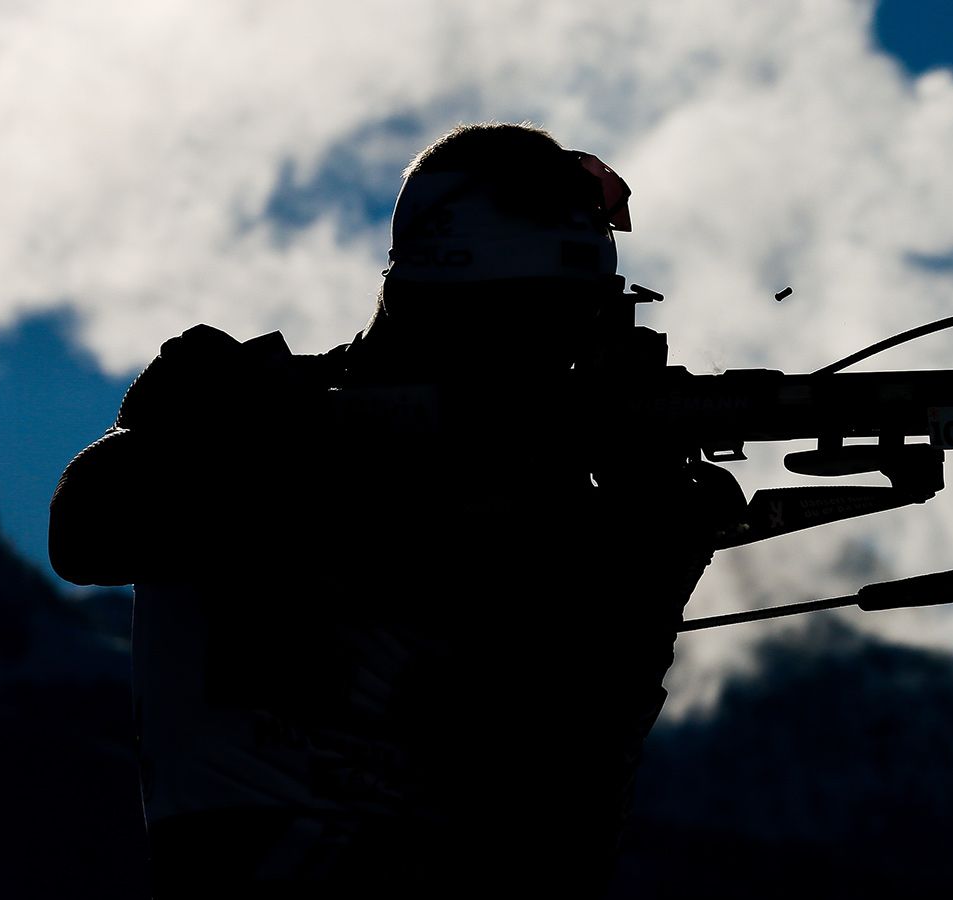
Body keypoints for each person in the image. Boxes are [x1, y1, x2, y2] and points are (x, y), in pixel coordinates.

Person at [50, 122, 727, 896]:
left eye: (578, 325)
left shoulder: (539, 497)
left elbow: (561, 823)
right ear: (438, 304)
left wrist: (640, 584)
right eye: (527, 324)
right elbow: (87, 527)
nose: (555, 359)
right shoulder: (247, 411)